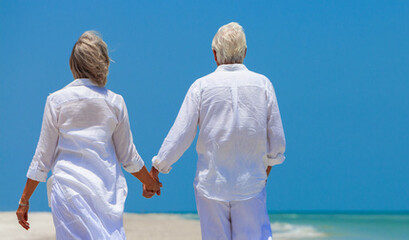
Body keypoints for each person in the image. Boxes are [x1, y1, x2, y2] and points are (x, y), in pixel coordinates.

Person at [16, 31, 163, 239]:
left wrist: (24, 200)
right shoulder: (115, 103)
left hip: (67, 192)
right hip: (105, 195)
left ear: (74, 64)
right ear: (103, 62)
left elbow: (42, 158)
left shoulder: (56, 101)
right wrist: (150, 182)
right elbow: (128, 157)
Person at [151, 22, 286, 240]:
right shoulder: (263, 85)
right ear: (245, 53)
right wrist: (264, 172)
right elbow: (277, 140)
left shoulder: (201, 87)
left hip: (211, 186)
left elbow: (181, 133)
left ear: (214, 54)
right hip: (251, 184)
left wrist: (157, 169)